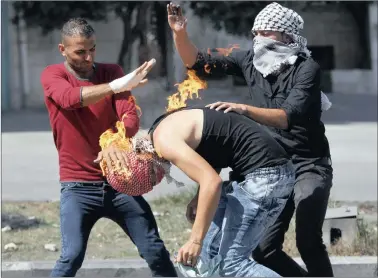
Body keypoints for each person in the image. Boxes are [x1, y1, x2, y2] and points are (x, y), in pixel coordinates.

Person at [168, 2, 334, 277]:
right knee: (263, 249)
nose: (259, 39)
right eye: (256, 32)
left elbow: (286, 116)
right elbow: (195, 61)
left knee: (308, 240)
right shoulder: (249, 60)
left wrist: (243, 109)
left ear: (287, 36)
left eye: (266, 33)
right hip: (270, 167)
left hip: (308, 164)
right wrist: (179, 34)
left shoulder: (307, 69)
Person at [40, 18, 177, 277]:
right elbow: (70, 100)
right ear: (63, 50)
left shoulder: (111, 71)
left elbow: (131, 118)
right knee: (71, 257)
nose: (88, 56)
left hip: (119, 183)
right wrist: (117, 86)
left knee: (155, 251)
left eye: (92, 49)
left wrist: (114, 141)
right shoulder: (53, 75)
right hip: (77, 187)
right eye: (80, 51)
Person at [97, 105, 295, 277]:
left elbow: (212, 182)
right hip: (255, 174)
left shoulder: (164, 142)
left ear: (146, 161)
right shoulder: (160, 128)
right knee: (208, 258)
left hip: (267, 176)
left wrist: (195, 240)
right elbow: (215, 146)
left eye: (154, 177)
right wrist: (199, 197)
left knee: (233, 265)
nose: (162, 175)